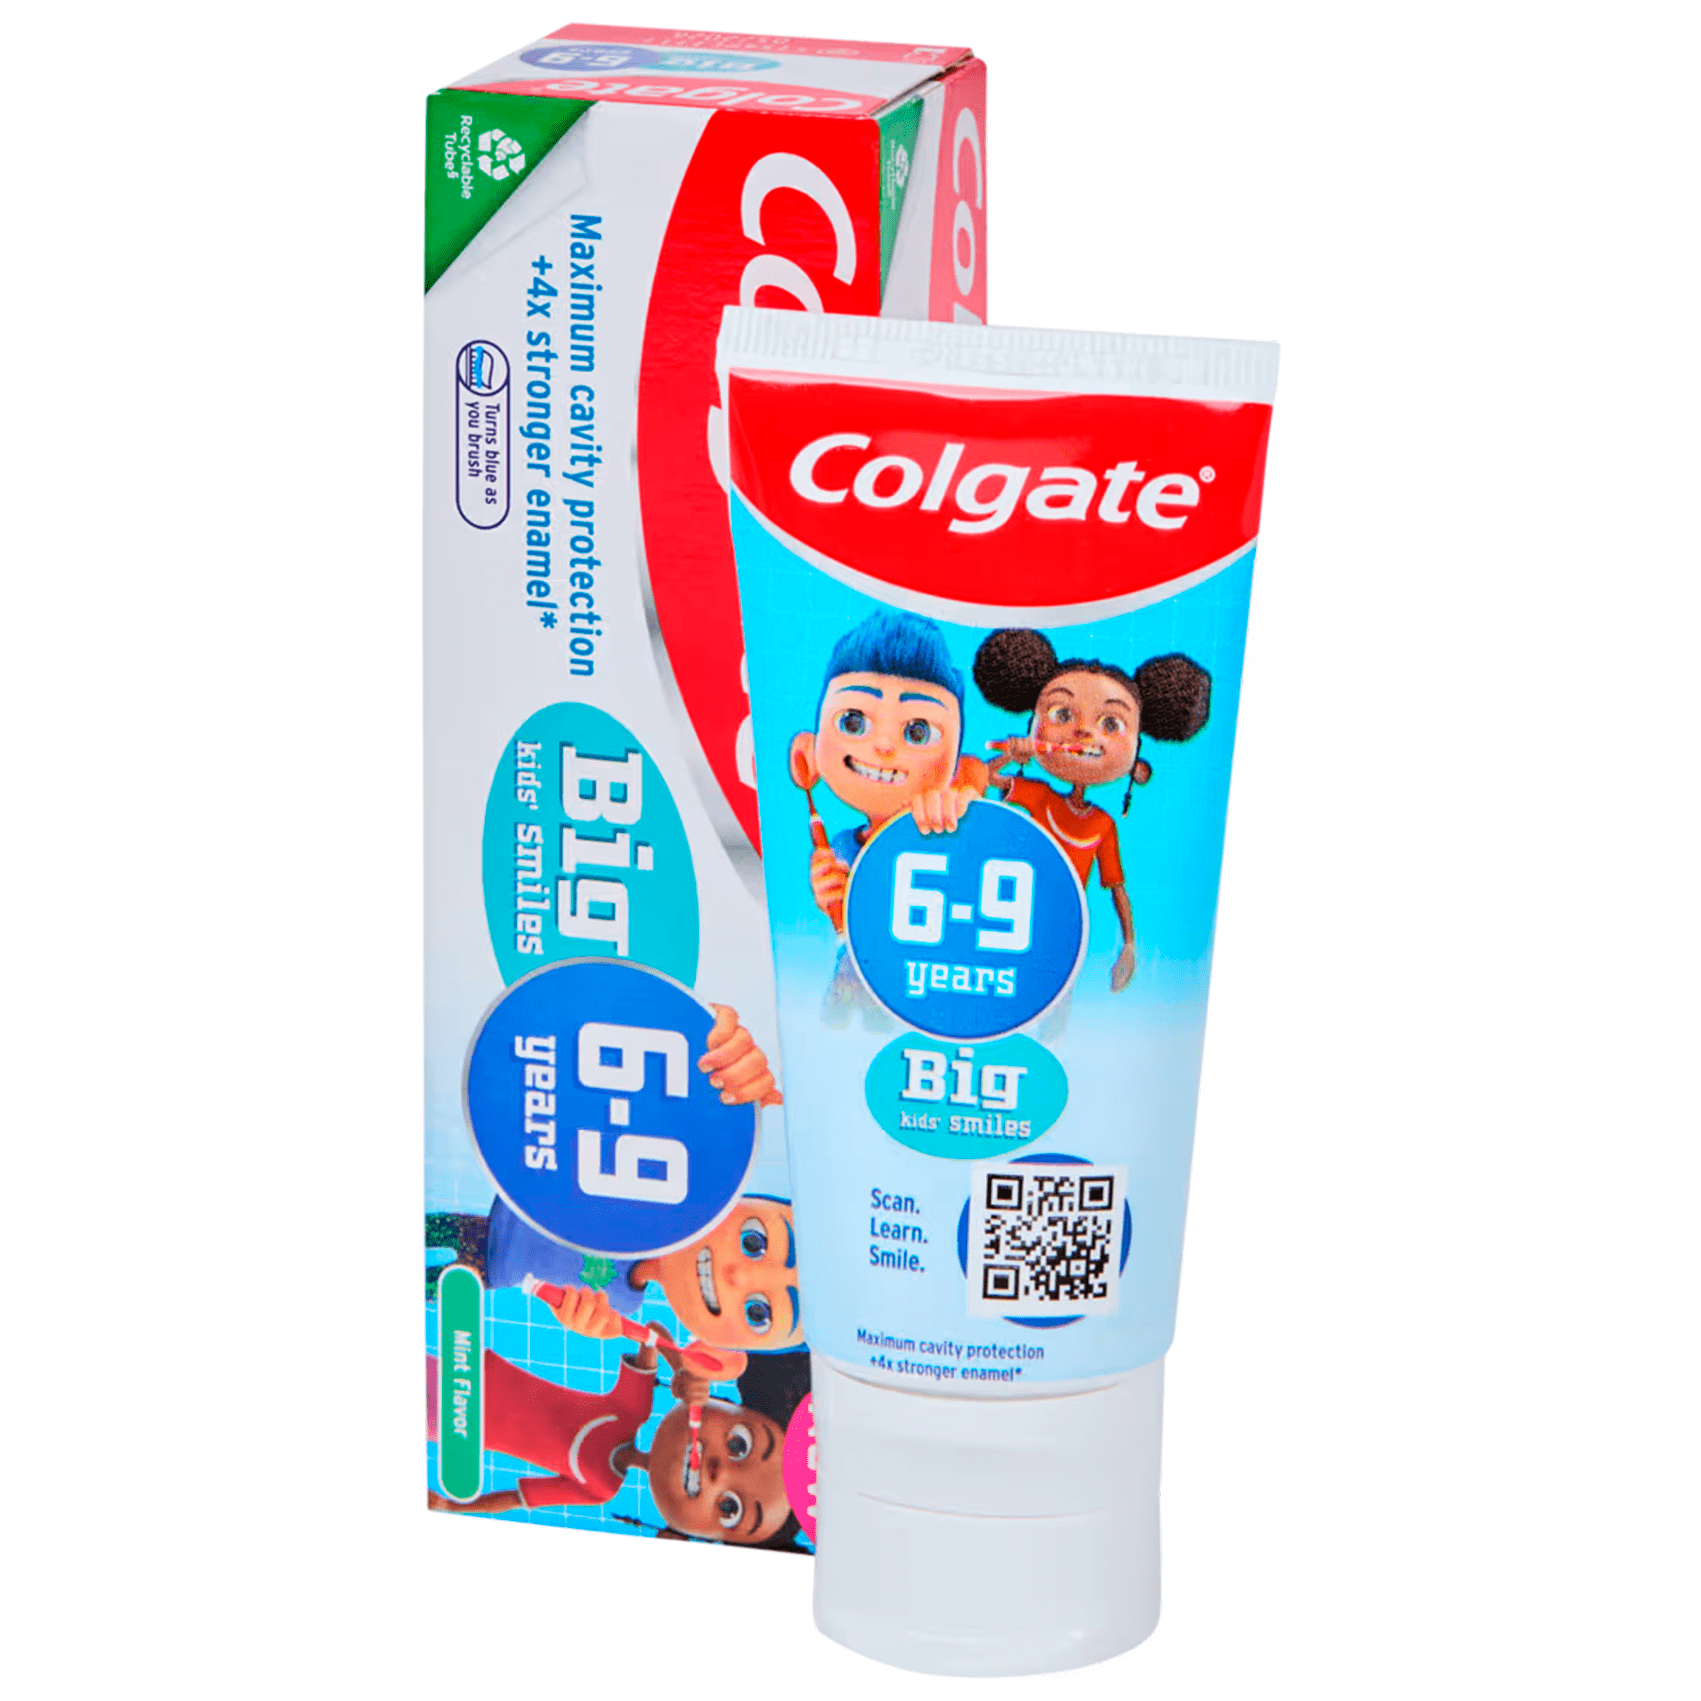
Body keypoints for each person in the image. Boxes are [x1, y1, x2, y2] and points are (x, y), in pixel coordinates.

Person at [973, 628, 1211, 992]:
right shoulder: (1040, 797)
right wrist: (1013, 753)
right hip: (1004, 916)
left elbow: (1117, 889)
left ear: (1137, 763)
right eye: (1062, 713)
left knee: (1054, 997)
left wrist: (1129, 945)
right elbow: (982, 779)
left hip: (1062, 928)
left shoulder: (1101, 825)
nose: (1083, 731)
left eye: (1111, 723)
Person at [425, 1315, 794, 1546]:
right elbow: (651, 1334)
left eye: (730, 1508)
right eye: (738, 1444)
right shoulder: (631, 1408)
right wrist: (681, 1369)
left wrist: (453, 1506)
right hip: (473, 1372)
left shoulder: (599, 1489)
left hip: (455, 1424)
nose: (718, 1472)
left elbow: (516, 1498)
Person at [791, 609, 987, 932]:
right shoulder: (841, 847)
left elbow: (976, 778)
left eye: (918, 732)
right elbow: (851, 928)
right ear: (808, 752)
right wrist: (831, 897)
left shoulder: (943, 824)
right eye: (853, 722)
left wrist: (961, 806)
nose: (883, 745)